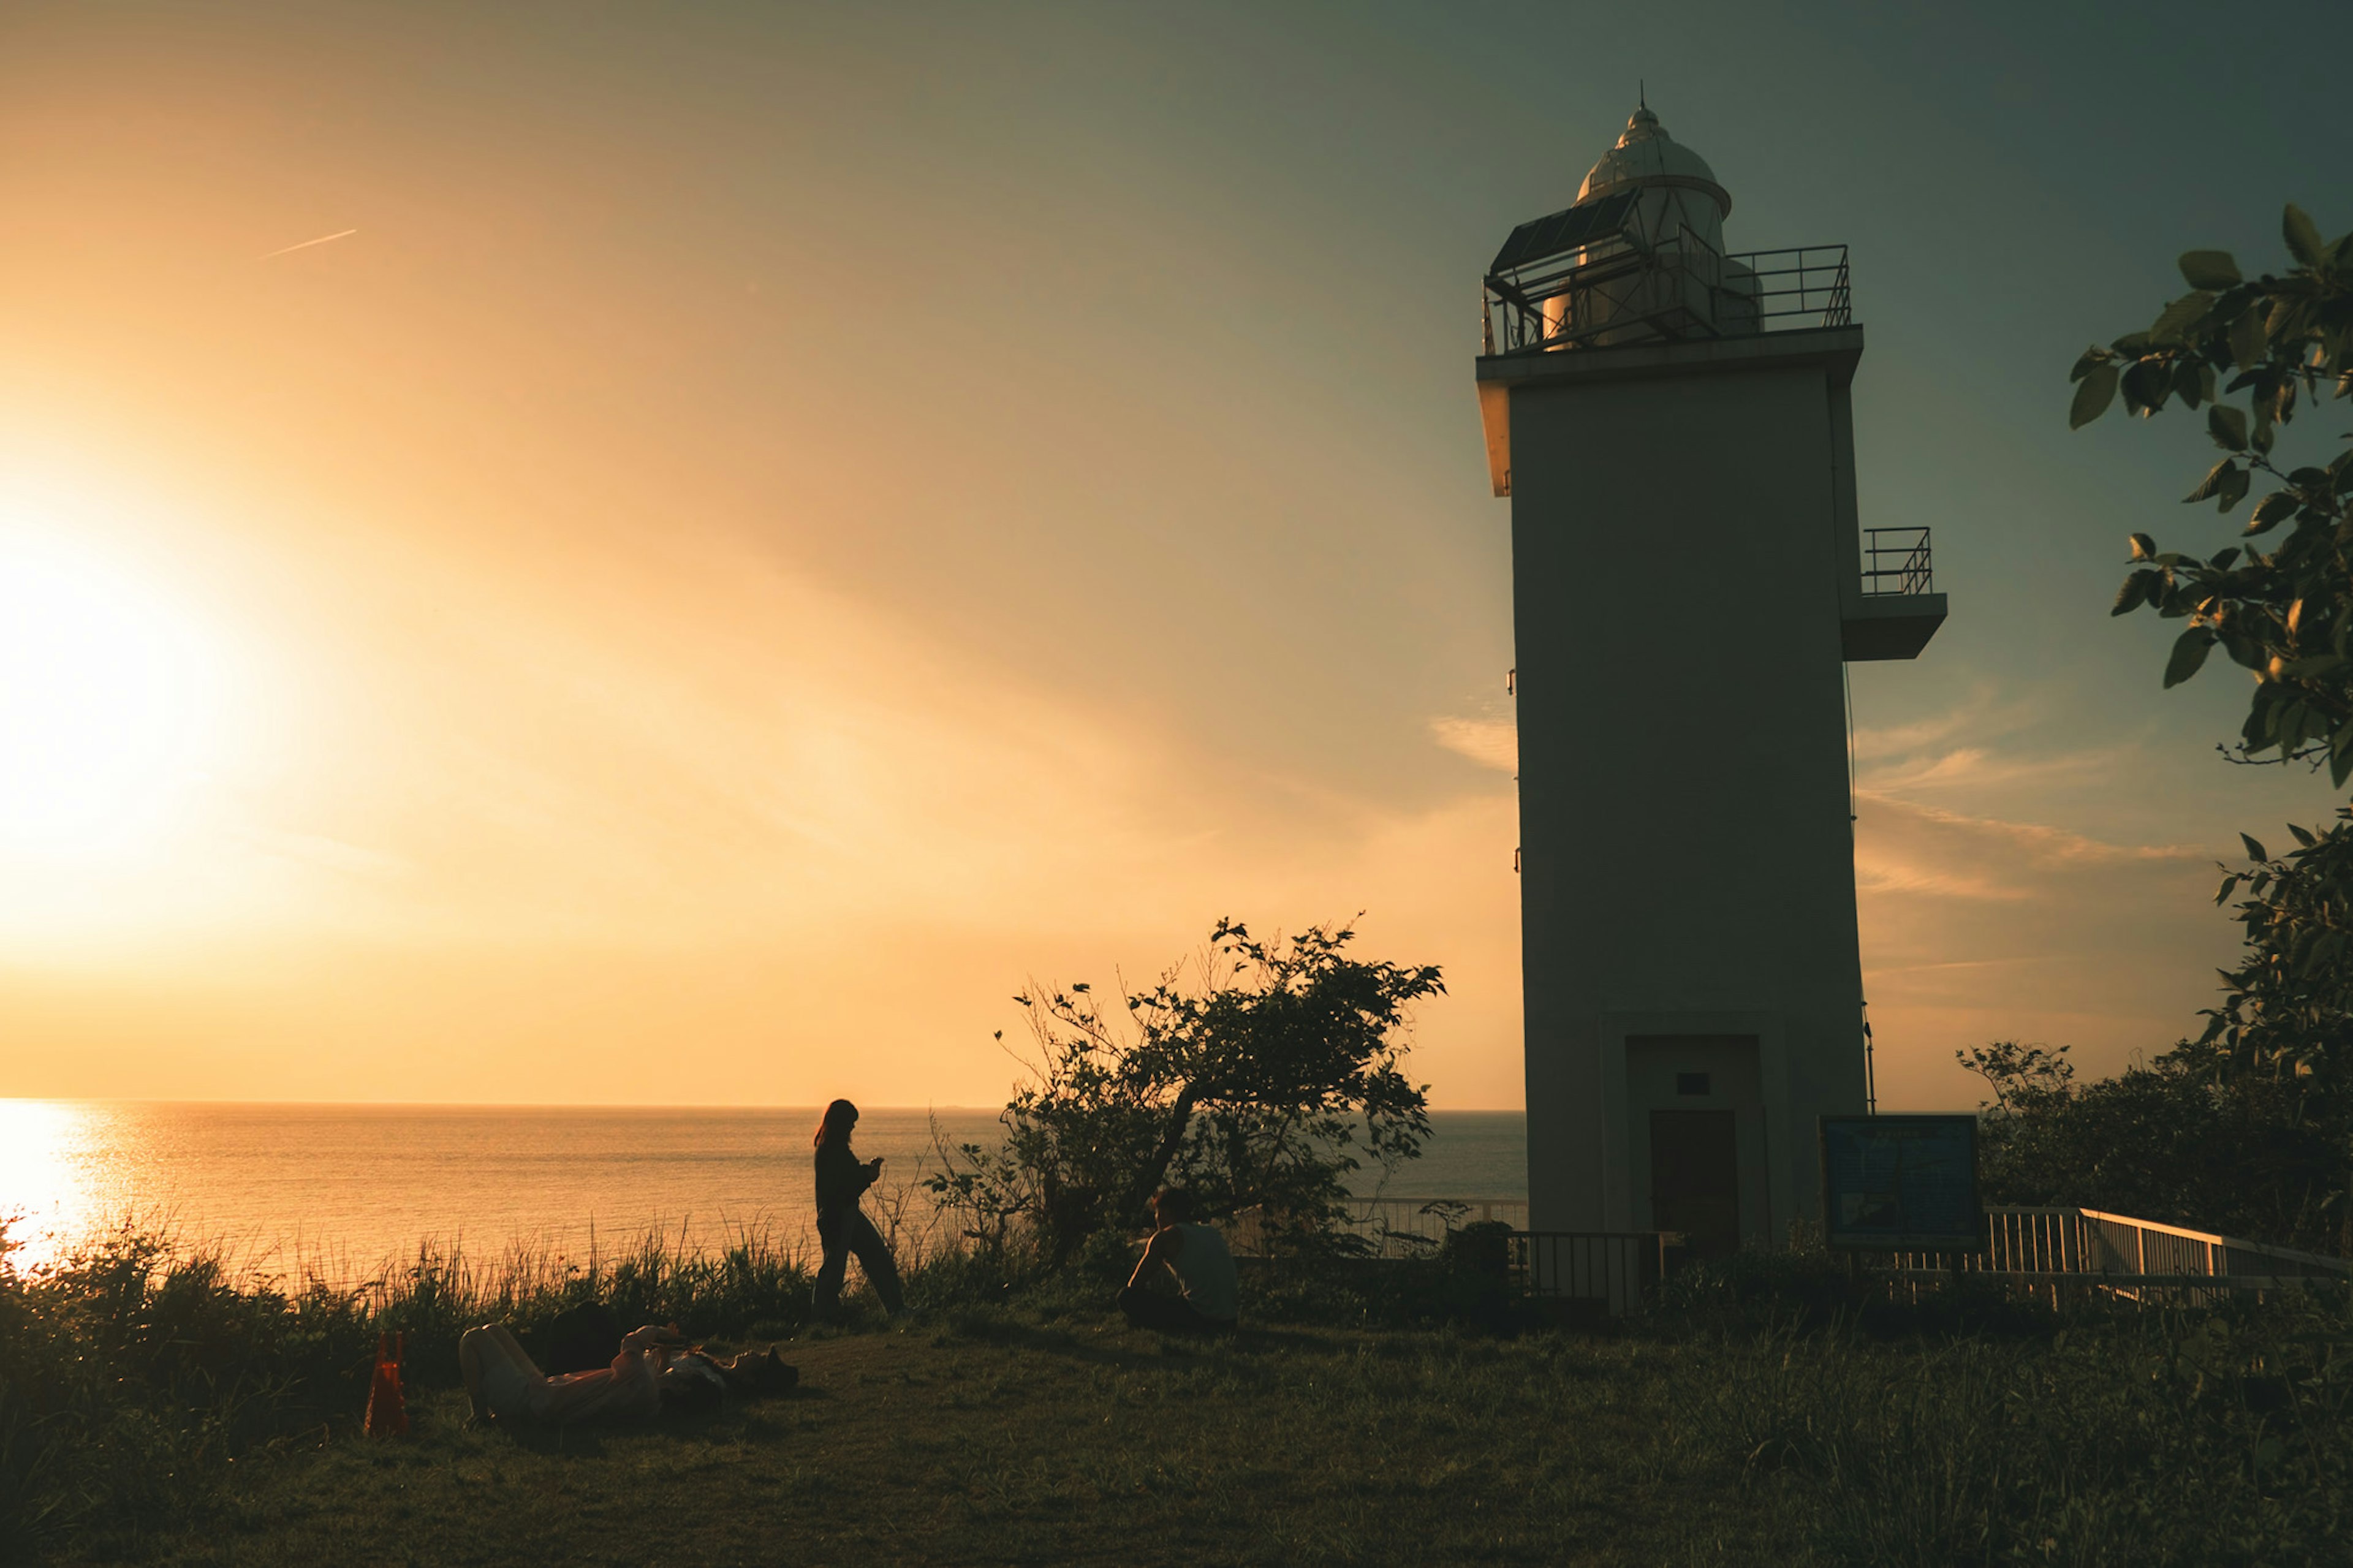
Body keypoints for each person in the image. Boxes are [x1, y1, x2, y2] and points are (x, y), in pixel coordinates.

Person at [460, 1320, 688, 1426]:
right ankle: (484, 1415)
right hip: (544, 1389)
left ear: (676, 1390)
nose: (674, 1374)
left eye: (677, 1379)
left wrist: (662, 1333)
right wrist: (665, 1359)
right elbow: (655, 1380)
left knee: (472, 1338)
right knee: (493, 1330)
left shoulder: (640, 1382)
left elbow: (634, 1340)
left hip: (530, 1403)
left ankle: (479, 1416)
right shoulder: (646, 1394)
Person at [812, 1098, 907, 1319]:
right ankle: (822, 1319)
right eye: (851, 1123)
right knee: (835, 1271)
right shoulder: (833, 1149)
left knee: (877, 1257)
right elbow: (846, 1184)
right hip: (838, 1216)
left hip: (845, 1213)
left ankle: (897, 1309)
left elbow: (848, 1176)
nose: (854, 1127)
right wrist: (868, 1176)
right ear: (842, 1123)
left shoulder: (831, 1148)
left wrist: (866, 1174)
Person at [1118, 1187, 1238, 1333]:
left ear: (1166, 1212)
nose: (1156, 1217)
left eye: (1157, 1212)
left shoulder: (1165, 1238)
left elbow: (1135, 1284)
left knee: (1126, 1296)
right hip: (1229, 1321)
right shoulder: (1211, 1231)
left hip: (1200, 1318)